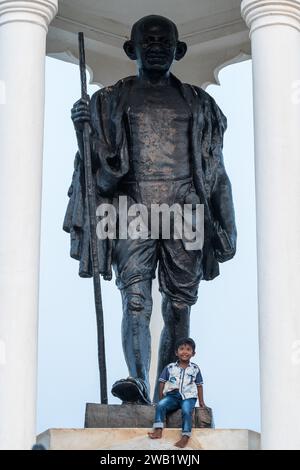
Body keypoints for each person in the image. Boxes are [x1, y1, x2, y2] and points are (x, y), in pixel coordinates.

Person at [64, 15, 236, 404]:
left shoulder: (200, 103)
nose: (156, 47)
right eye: (148, 41)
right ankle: (137, 382)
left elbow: (215, 170)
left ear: (179, 51)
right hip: (130, 209)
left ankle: (166, 390)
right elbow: (98, 173)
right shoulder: (108, 101)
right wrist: (83, 130)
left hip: (186, 211)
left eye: (164, 42)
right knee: (136, 298)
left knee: (177, 308)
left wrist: (227, 221)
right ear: (131, 49)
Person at [148, 337, 204, 448]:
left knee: (186, 410)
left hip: (189, 397)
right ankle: (158, 429)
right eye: (182, 349)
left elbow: (199, 385)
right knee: (161, 405)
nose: (185, 352)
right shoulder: (170, 368)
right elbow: (162, 382)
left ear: (193, 353)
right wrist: (161, 398)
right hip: (173, 396)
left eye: (188, 349)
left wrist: (201, 402)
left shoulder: (195, 369)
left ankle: (185, 436)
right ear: (176, 352)